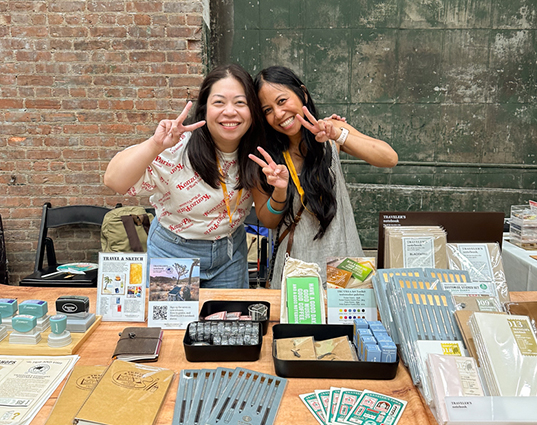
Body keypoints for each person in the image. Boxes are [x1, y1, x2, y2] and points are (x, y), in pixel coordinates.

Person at [104, 64, 264, 288]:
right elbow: (114, 180)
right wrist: (155, 145)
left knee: (229, 322)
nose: (230, 111)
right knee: (174, 323)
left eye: (240, 102)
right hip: (173, 253)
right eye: (219, 102)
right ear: (204, 109)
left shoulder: (259, 150)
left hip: (230, 255)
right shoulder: (177, 148)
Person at [249, 65, 398, 288]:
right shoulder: (265, 156)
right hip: (296, 267)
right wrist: (280, 189)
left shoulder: (331, 133)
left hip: (345, 262)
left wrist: (339, 134)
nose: (278, 114)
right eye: (267, 110)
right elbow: (268, 221)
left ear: (303, 94)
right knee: (299, 322)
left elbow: (389, 158)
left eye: (282, 101)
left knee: (349, 322)